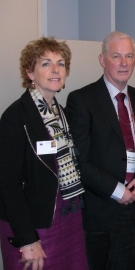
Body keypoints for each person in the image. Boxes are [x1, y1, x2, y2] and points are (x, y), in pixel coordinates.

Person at [66, 31, 135, 270]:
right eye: (116, 56)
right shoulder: (81, 100)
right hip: (99, 208)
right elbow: (80, 161)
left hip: (131, 205)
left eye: (129, 56)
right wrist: (117, 190)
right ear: (102, 60)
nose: (124, 63)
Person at [0, 37, 87, 270]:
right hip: (35, 223)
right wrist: (27, 239)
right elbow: (7, 186)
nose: (56, 70)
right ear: (30, 72)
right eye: (46, 63)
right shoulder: (16, 118)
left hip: (67, 214)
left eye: (61, 63)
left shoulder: (61, 113)